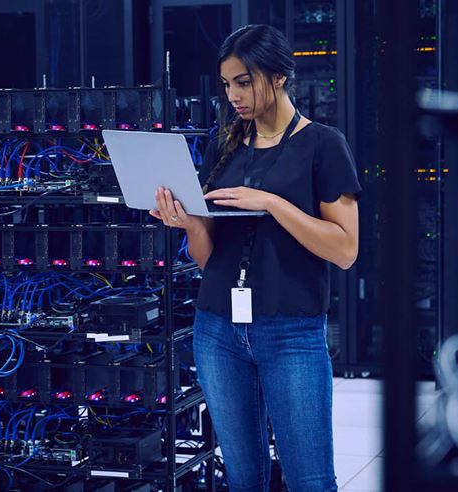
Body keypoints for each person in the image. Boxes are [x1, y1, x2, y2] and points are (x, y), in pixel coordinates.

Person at [150, 24, 361, 492]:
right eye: (227, 85)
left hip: (291, 332)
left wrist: (270, 202)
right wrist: (190, 224)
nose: (233, 96)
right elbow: (209, 259)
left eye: (243, 82)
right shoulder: (221, 145)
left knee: (311, 481)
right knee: (244, 480)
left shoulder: (323, 145)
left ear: (279, 76)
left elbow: (346, 250)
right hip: (217, 330)